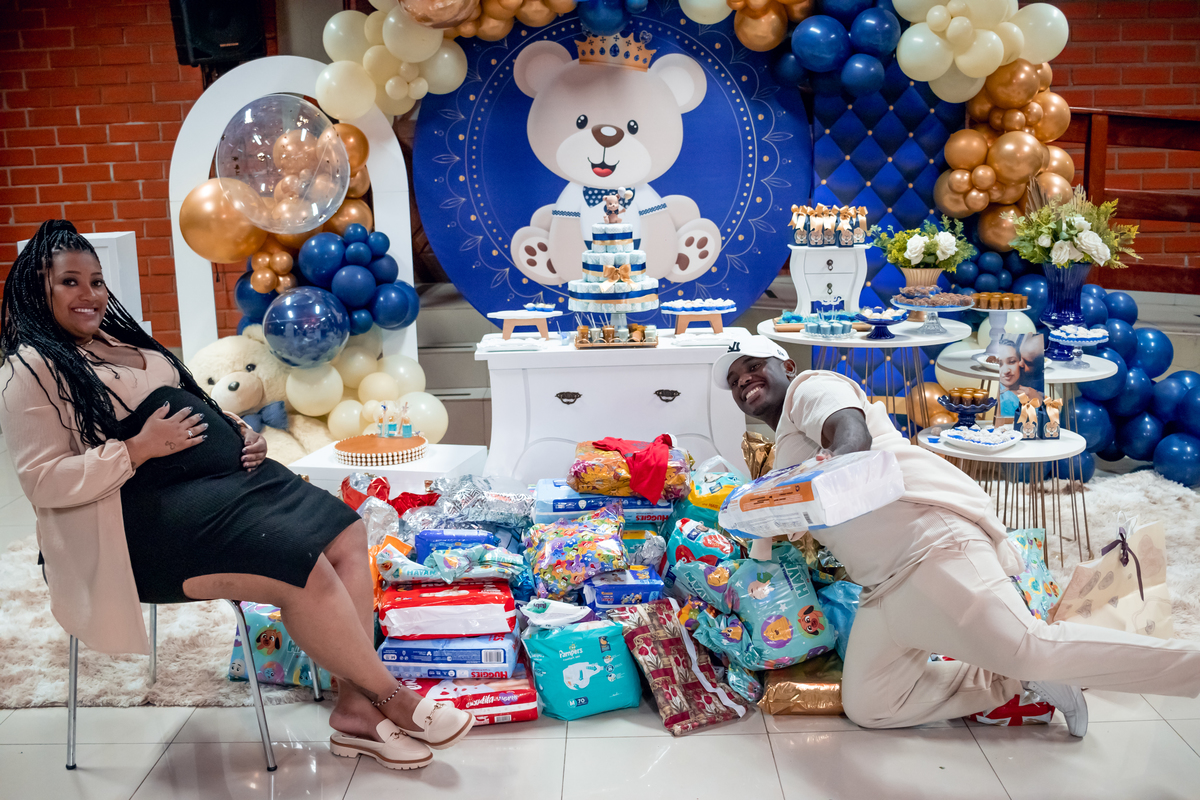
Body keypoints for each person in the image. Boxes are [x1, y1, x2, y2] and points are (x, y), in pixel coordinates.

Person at [0, 220, 472, 770]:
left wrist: (236, 430)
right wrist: (139, 448)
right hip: (135, 528)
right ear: (37, 288)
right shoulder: (30, 369)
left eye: (96, 281)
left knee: (345, 531)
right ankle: (393, 698)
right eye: (70, 282)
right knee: (300, 564)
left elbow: (185, 399)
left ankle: (354, 709)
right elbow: (43, 480)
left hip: (214, 489)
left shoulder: (114, 340)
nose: (89, 294)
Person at [712, 335, 1200, 736]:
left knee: (1034, 646)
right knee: (873, 705)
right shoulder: (784, 448)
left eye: (752, 366)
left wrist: (818, 474)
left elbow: (852, 437)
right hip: (883, 588)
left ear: (787, 366)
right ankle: (1018, 681)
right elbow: (792, 517)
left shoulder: (811, 388)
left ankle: (1188, 669)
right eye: (734, 381)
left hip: (931, 546)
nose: (743, 381)